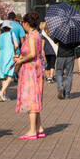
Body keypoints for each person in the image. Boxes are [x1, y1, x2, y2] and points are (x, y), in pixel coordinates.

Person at [13, 10, 46, 140]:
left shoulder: (32, 36)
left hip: (31, 70)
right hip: (35, 68)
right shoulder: (36, 34)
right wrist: (20, 57)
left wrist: (20, 60)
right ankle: (39, 127)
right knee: (35, 98)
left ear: (26, 24)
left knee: (31, 99)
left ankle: (32, 130)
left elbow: (32, 54)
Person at [0, 21, 20, 100]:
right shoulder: (11, 34)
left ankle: (4, 96)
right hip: (9, 57)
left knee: (3, 77)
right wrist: (11, 49)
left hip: (1, 57)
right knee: (10, 76)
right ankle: (1, 92)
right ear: (10, 28)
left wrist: (3, 51)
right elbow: (16, 45)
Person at [54, 31, 79, 98]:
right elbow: (78, 43)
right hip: (70, 55)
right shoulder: (74, 32)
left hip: (61, 55)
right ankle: (67, 93)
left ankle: (60, 88)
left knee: (59, 73)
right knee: (69, 74)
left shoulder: (60, 31)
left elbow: (55, 41)